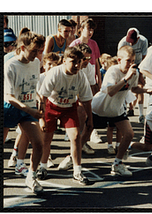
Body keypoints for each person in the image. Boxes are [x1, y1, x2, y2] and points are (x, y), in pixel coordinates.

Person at [91, 45, 152, 176]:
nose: (131, 64)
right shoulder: (113, 71)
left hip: (116, 109)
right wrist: (126, 78)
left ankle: (118, 163)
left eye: (133, 61)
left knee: (129, 134)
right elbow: (111, 91)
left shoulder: (133, 72)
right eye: (128, 61)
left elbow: (133, 88)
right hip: (100, 108)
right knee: (83, 136)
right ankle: (71, 158)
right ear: (119, 60)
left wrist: (145, 90)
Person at [38, 45, 93, 185]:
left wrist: (90, 120)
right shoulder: (55, 73)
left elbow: (86, 100)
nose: (76, 65)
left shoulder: (81, 76)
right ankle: (43, 167)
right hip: (51, 106)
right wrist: (41, 119)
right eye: (72, 61)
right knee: (47, 138)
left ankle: (77, 171)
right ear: (64, 61)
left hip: (69, 107)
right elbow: (42, 97)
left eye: (79, 62)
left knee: (75, 137)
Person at [4, 29, 45, 193]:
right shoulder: (10, 66)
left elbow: (32, 83)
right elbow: (9, 96)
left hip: (28, 108)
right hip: (9, 107)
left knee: (39, 143)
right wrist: (30, 109)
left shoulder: (35, 63)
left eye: (39, 51)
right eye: (33, 50)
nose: (36, 55)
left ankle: (31, 177)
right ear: (21, 47)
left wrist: (38, 96)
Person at [70, 18, 102, 144]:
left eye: (92, 30)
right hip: (79, 79)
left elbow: (97, 64)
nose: (90, 32)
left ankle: (92, 132)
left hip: (91, 79)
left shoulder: (94, 44)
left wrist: (98, 81)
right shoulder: (75, 44)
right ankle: (78, 133)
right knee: (80, 109)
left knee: (91, 107)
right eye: (89, 29)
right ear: (81, 29)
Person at [118, 28, 148, 122]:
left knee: (140, 85)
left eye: (133, 42)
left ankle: (141, 114)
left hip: (139, 63)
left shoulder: (143, 41)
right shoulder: (122, 42)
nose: (130, 44)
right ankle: (124, 108)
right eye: (129, 41)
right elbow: (119, 59)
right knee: (124, 85)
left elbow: (144, 57)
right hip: (126, 65)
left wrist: (140, 72)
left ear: (138, 39)